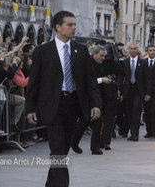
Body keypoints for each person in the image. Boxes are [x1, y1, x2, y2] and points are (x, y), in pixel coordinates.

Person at [25, 10, 101, 187]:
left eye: (74, 24)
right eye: (70, 24)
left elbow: (90, 79)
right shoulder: (43, 51)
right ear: (58, 27)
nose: (74, 28)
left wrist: (95, 104)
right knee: (57, 150)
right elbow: (34, 82)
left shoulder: (81, 50)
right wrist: (30, 108)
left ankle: (51, 184)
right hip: (53, 105)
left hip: (73, 104)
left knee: (63, 150)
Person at [71, 45, 114, 155]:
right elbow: (85, 80)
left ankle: (95, 147)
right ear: (94, 54)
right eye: (101, 56)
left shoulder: (101, 64)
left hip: (97, 97)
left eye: (104, 56)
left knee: (97, 121)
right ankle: (74, 142)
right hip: (86, 97)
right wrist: (101, 80)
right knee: (84, 121)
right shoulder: (86, 64)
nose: (103, 58)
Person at [122, 43, 145, 141]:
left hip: (138, 90)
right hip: (128, 90)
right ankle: (131, 133)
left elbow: (146, 78)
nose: (133, 50)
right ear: (128, 50)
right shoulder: (125, 62)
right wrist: (120, 92)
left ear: (138, 50)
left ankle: (135, 134)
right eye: (131, 49)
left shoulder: (143, 62)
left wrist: (147, 93)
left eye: (135, 49)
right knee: (129, 112)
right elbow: (121, 77)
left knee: (136, 110)